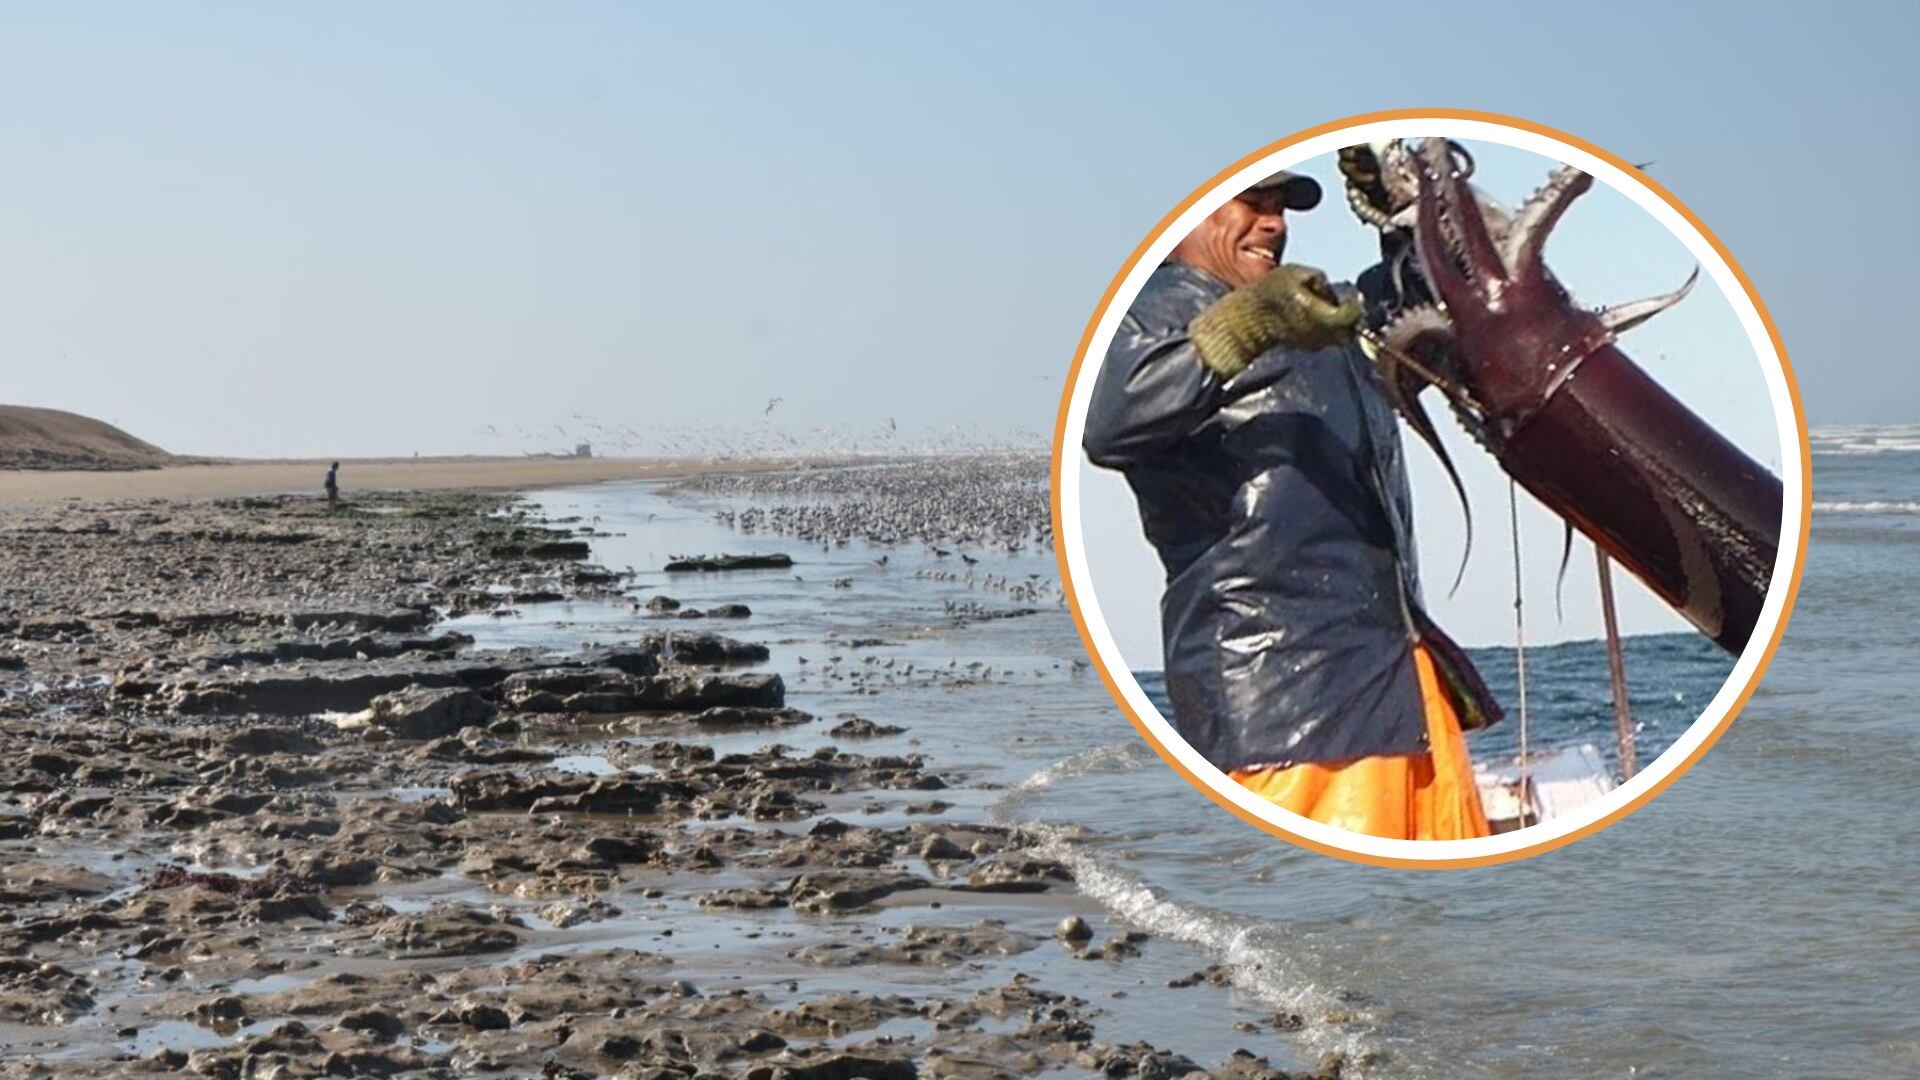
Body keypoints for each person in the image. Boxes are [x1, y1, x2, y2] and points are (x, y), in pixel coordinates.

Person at [1082, 169, 1501, 840]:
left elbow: (1421, 302)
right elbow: (1111, 419)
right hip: (1287, 701)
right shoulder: (1157, 304)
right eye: (1253, 203)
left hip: (1395, 681)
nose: (1274, 224)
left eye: (1281, 208)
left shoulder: (1313, 311)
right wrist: (1247, 323)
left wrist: (1409, 212)